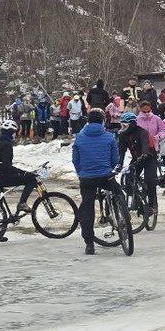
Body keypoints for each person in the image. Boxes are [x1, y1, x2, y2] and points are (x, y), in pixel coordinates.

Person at [72, 109, 121, 255]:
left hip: (87, 177)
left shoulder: (80, 138)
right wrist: (109, 168)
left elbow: (76, 159)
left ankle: (89, 243)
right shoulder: (109, 137)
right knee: (118, 192)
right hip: (105, 175)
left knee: (87, 205)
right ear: (102, 121)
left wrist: (82, 172)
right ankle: (123, 216)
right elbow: (115, 159)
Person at [0, 120, 38, 229]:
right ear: (10, 132)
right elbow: (7, 166)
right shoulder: (7, 145)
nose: (16, 134)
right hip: (2, 176)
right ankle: (22, 203)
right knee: (31, 179)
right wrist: (23, 172)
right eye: (14, 132)